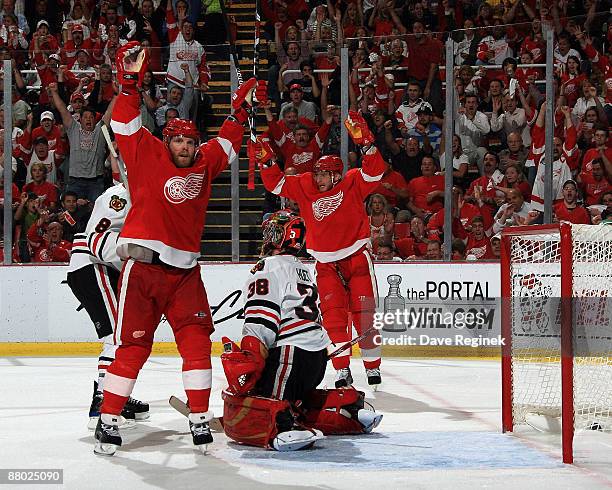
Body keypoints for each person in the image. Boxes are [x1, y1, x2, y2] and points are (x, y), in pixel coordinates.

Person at [94, 41, 264, 456]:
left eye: (191, 143)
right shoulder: (147, 152)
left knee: (196, 343)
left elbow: (226, 142)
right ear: (167, 141)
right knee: (134, 348)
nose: (187, 148)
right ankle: (109, 420)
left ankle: (200, 419)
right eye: (180, 142)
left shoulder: (205, 161)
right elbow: (124, 121)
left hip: (186, 274)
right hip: (144, 271)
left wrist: (240, 111)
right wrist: (130, 82)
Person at [220, 210, 382, 451]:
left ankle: (283, 428)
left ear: (285, 238)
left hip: (290, 357)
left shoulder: (267, 268)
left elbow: (261, 319)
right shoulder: (302, 268)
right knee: (298, 401)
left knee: (267, 399)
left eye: (273, 232)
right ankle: (350, 410)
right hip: (317, 359)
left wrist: (252, 355)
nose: (268, 237)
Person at [258, 110, 386, 389]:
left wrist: (367, 143)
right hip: (326, 264)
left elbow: (375, 171)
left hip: (356, 258)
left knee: (365, 315)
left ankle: (372, 366)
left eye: (324, 174)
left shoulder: (352, 181)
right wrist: (266, 160)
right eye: (316, 172)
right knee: (334, 319)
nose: (318, 178)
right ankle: (342, 369)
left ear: (336, 174)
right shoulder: (305, 185)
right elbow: (276, 183)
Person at [67, 154, 149, 430]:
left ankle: (117, 394)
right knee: (116, 336)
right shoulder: (119, 195)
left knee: (120, 334)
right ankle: (102, 402)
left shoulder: (138, 198)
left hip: (97, 268)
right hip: (93, 265)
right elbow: (98, 242)